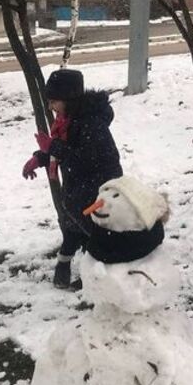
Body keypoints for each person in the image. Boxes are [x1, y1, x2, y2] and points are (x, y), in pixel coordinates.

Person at [23, 69, 123, 289]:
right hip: (80, 190)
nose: (51, 107)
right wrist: (40, 158)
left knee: (97, 236)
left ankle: (102, 280)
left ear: (69, 99)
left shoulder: (90, 122)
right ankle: (79, 272)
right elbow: (68, 151)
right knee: (77, 228)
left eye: (54, 101)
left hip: (98, 190)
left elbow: (86, 159)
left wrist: (52, 147)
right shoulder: (68, 120)